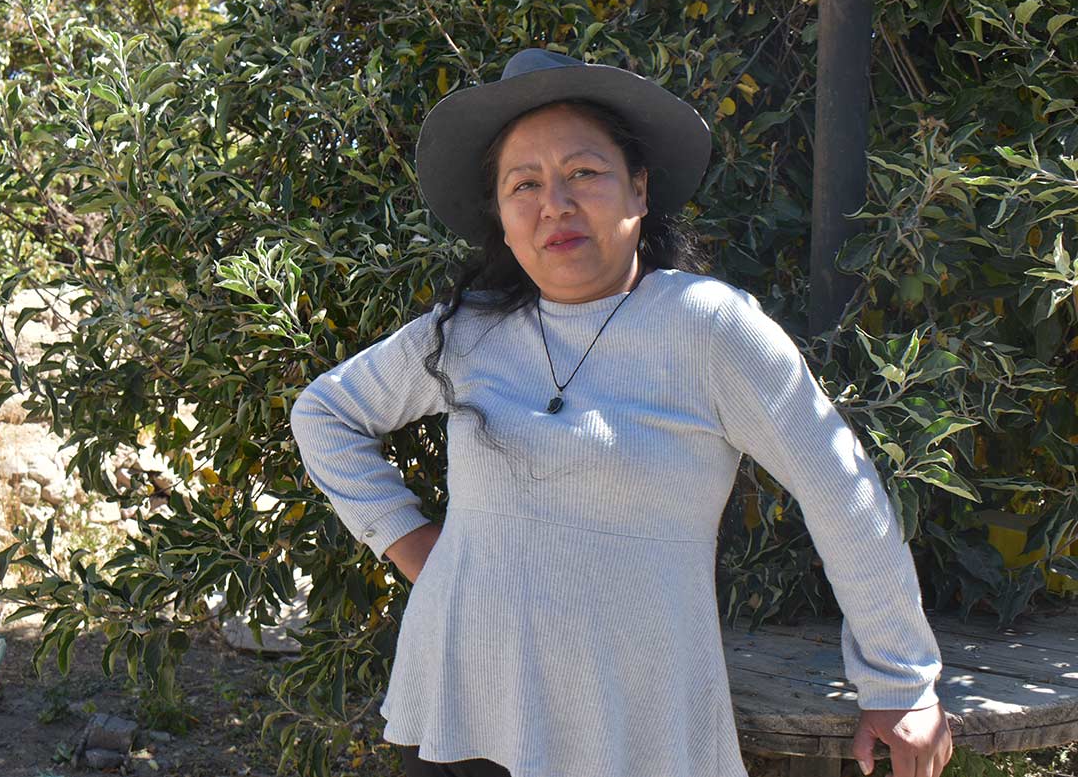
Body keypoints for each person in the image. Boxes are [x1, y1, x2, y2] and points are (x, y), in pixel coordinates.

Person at [289, 48, 953, 777]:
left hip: (630, 730)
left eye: (583, 173)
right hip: (458, 714)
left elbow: (842, 492)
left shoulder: (709, 329)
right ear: (503, 219)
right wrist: (412, 544)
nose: (555, 204)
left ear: (639, 189)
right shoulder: (469, 332)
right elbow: (324, 414)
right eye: (524, 184)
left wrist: (901, 683)